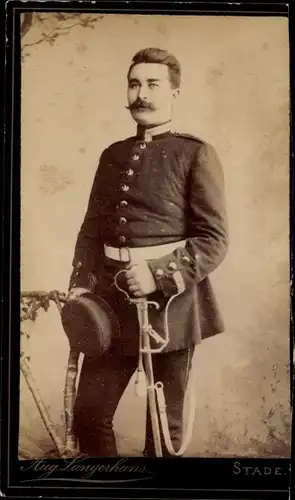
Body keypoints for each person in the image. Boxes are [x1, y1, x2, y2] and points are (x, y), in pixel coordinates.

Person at [67, 47, 228, 457]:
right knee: (89, 416)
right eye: (135, 84)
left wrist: (157, 274)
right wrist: (80, 286)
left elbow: (213, 239)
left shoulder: (195, 153)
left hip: (170, 311)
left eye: (153, 84)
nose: (141, 94)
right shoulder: (112, 155)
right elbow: (90, 230)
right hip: (109, 308)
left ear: (175, 92)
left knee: (162, 436)